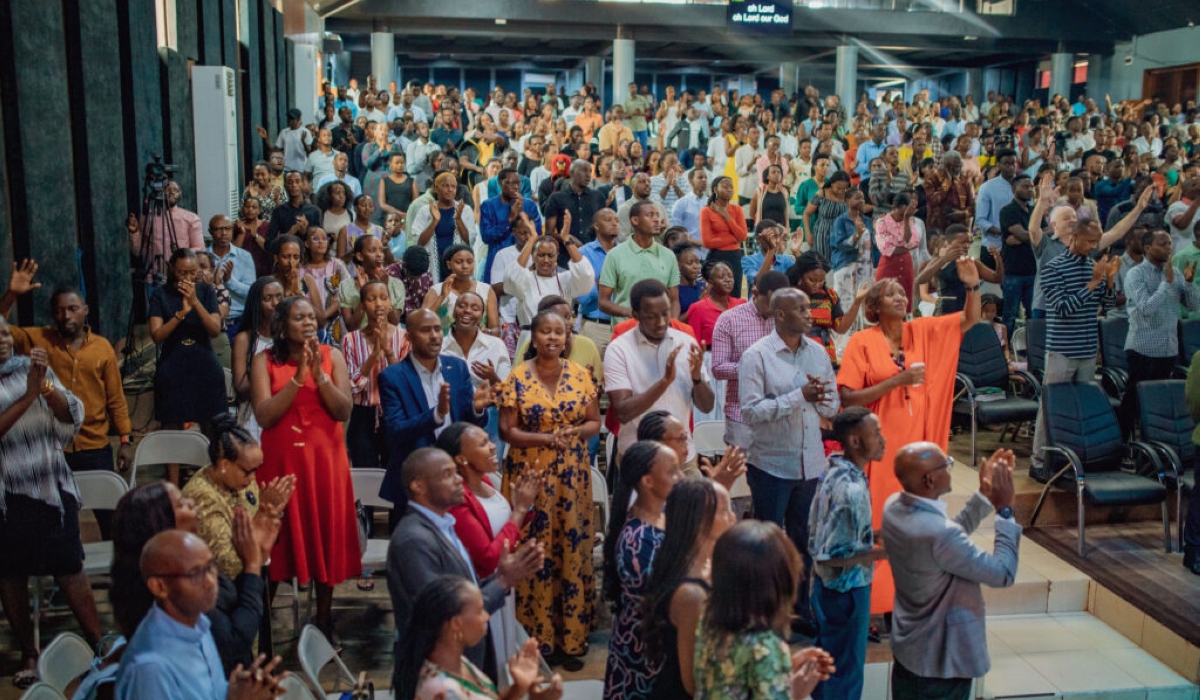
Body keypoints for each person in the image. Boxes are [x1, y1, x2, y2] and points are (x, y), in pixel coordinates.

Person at [837, 260, 983, 616]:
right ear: (875, 306)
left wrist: (972, 287)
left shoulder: (922, 332)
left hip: (916, 449)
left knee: (916, 528)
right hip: (879, 452)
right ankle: (872, 607)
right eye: (891, 293)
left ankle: (908, 602)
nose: (901, 297)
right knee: (880, 528)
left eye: (903, 292)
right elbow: (848, 398)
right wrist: (896, 382)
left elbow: (969, 320)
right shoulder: (862, 341)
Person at [250, 296, 359, 639]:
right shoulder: (263, 361)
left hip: (325, 461)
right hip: (282, 463)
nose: (310, 322)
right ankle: (258, 628)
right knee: (278, 541)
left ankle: (324, 621)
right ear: (282, 325)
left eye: (312, 317)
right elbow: (264, 416)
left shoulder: (332, 356)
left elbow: (343, 412)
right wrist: (298, 379)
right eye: (300, 318)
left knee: (324, 535)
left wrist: (319, 378)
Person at [498, 309, 602, 668]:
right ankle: (536, 642)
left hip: (572, 476)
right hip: (530, 476)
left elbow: (594, 422)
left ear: (567, 337)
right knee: (535, 551)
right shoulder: (517, 377)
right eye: (545, 332)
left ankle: (570, 639)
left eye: (560, 332)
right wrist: (545, 437)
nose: (553, 338)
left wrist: (574, 432)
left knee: (570, 549)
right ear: (534, 336)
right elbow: (506, 431)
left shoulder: (580, 375)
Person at [387, 448, 545, 680]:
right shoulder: (413, 541)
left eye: (456, 472)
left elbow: (464, 586)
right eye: (447, 474)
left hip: (464, 658)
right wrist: (502, 582)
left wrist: (499, 575)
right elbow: (443, 615)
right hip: (439, 673)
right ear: (418, 486)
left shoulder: (442, 524)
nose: (459, 479)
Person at [0, 262, 133, 537]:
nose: (66, 315)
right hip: (55, 449)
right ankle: (64, 573)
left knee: (111, 521)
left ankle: (117, 574)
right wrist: (11, 295)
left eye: (73, 309)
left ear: (85, 310)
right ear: (52, 314)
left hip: (94, 446)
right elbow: (1, 328)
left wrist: (124, 440)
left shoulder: (102, 348)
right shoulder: (37, 339)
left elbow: (115, 399)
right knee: (58, 522)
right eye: (59, 310)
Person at [739, 287, 840, 634]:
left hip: (810, 463)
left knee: (803, 544)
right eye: (800, 309)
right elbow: (751, 413)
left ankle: (799, 611)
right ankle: (764, 615)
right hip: (771, 464)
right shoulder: (757, 356)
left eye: (808, 307)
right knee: (767, 544)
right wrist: (800, 396)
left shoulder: (817, 353)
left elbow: (831, 407)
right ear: (780, 314)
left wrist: (820, 397)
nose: (809, 314)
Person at [883, 444, 1020, 700]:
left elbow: (942, 543)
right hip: (941, 661)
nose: (949, 468)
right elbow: (1003, 573)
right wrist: (1005, 510)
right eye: (945, 464)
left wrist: (983, 496)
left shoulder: (894, 507)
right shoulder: (940, 535)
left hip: (910, 651)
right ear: (930, 479)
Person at [0, 329, 97, 688]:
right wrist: (27, 397)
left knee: (69, 567)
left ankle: (98, 644)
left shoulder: (29, 367)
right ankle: (30, 652)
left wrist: (46, 389)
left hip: (50, 485)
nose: (2, 340)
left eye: (3, 333)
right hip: (8, 492)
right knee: (10, 575)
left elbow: (71, 414)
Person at [113, 530, 289, 700]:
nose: (210, 582)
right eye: (195, 574)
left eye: (211, 567)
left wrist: (237, 689)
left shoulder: (198, 622)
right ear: (159, 587)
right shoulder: (151, 669)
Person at [438, 423, 540, 676]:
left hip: (503, 585)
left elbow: (501, 526)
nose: (493, 445)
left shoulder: (484, 480)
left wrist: (525, 507)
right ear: (461, 459)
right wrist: (518, 510)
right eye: (483, 443)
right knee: (489, 665)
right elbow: (487, 558)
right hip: (482, 592)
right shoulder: (458, 501)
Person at [692, 520, 832, 700]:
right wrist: (794, 692)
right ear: (781, 581)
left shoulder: (708, 622)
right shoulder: (765, 648)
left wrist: (784, 666)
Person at [807, 407, 888, 700]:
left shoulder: (833, 470)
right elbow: (834, 556)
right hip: (846, 592)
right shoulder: (851, 490)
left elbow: (832, 531)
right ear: (854, 441)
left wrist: (873, 536)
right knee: (845, 674)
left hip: (824, 589)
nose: (883, 440)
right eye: (876, 433)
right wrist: (884, 553)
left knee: (827, 666)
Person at [1030, 221, 1120, 480]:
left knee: (1081, 407)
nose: (1094, 247)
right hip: (1062, 348)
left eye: (1097, 242)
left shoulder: (1094, 268)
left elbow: (1108, 304)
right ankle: (1039, 461)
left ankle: (1076, 458)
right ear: (1074, 237)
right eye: (1089, 241)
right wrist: (1092, 284)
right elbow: (1063, 308)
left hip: (1088, 348)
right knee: (1051, 406)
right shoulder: (1053, 268)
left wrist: (1109, 280)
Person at [378, 309, 492, 508]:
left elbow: (468, 423)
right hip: (415, 481)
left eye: (438, 329)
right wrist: (436, 415)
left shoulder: (457, 368)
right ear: (409, 336)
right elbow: (396, 431)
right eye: (425, 330)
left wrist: (477, 410)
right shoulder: (393, 376)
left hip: (458, 475)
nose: (434, 336)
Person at [641, 477, 738, 699]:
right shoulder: (690, 595)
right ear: (700, 521)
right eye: (725, 510)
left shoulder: (706, 567)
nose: (733, 518)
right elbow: (694, 683)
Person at [393, 575, 563, 700]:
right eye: (479, 611)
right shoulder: (444, 690)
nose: (486, 616)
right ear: (456, 623)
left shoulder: (456, 661)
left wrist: (519, 688)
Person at [602, 441, 683, 700]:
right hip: (644, 653)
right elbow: (666, 597)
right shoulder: (637, 541)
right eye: (672, 472)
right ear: (648, 481)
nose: (679, 478)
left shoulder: (662, 516)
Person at [605, 280, 714, 471]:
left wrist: (697, 379)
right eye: (651, 317)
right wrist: (664, 382)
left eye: (665, 313)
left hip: (682, 458)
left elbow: (707, 406)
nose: (661, 322)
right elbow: (623, 412)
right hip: (639, 459)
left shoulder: (686, 342)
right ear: (635, 315)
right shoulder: (619, 349)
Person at [181, 414, 295, 583]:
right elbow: (229, 567)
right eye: (248, 471)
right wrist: (262, 516)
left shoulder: (242, 482)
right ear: (224, 465)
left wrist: (272, 514)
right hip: (210, 587)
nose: (253, 478)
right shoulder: (201, 497)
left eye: (257, 469)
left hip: (247, 578)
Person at [149, 249, 226, 481]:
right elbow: (156, 335)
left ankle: (214, 477)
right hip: (173, 363)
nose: (188, 277)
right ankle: (173, 481)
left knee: (211, 424)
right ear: (172, 269)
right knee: (172, 424)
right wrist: (181, 313)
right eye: (183, 272)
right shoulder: (160, 295)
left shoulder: (205, 291)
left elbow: (214, 329)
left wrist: (195, 303)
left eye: (193, 272)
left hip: (204, 363)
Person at [1119, 230, 1200, 435]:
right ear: (1147, 248)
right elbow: (1146, 308)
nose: (1168, 248)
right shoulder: (1135, 274)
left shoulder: (1176, 273)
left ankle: (1156, 444)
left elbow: (1192, 306)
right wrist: (1166, 283)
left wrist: (1189, 283)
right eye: (1163, 244)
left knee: (1159, 404)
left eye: (1170, 244)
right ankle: (1125, 445)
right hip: (1143, 348)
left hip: (1168, 348)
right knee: (1133, 400)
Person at [710, 271, 791, 452]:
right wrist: (753, 367)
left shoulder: (786, 320)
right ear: (755, 293)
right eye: (770, 303)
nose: (774, 309)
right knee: (742, 476)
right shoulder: (729, 320)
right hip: (742, 415)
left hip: (780, 414)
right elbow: (718, 368)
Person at [343, 279, 410, 476]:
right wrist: (373, 356)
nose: (379, 304)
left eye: (383, 298)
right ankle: (367, 509)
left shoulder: (404, 336)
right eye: (371, 299)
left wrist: (388, 351)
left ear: (390, 303)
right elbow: (352, 387)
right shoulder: (351, 340)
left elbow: (404, 383)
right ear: (362, 306)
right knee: (365, 474)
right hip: (363, 414)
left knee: (396, 475)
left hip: (395, 414)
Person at [503, 215, 594, 335]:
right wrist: (532, 239)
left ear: (557, 257)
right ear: (533, 256)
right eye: (541, 255)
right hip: (530, 338)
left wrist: (566, 240)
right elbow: (512, 278)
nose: (546, 260)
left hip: (560, 340)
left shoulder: (565, 279)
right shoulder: (526, 278)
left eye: (551, 255)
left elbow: (585, 275)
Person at [599, 202, 681, 322]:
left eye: (658, 215)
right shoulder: (615, 255)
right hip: (625, 332)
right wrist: (631, 313)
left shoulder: (668, 255)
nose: (657, 220)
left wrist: (671, 323)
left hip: (659, 332)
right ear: (635, 220)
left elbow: (674, 300)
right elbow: (603, 302)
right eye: (650, 215)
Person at [410, 173, 480, 282]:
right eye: (445, 186)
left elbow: (469, 240)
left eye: (453, 186)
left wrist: (458, 219)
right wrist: (435, 221)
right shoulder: (425, 210)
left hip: (457, 263)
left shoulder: (465, 210)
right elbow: (419, 242)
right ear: (436, 189)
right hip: (433, 261)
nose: (450, 189)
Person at [423, 244, 500, 334]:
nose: (465, 266)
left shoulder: (486, 290)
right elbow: (421, 322)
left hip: (478, 344)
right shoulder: (436, 290)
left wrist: (485, 331)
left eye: (469, 262)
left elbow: (496, 330)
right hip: (444, 345)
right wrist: (442, 297)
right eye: (459, 262)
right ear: (448, 264)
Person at [339, 234, 406, 330]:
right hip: (360, 342)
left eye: (381, 250)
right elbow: (351, 327)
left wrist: (384, 287)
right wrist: (364, 293)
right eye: (372, 251)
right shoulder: (346, 286)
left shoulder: (396, 284)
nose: (379, 254)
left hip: (388, 341)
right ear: (360, 256)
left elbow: (394, 322)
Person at [576, 209, 619, 356]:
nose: (614, 223)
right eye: (608, 220)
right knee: (590, 375)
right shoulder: (583, 254)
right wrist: (601, 288)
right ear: (596, 226)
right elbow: (581, 297)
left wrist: (599, 283)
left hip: (621, 326)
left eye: (616, 220)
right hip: (594, 325)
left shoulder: (625, 253)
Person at [700, 176, 749, 299]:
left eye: (731, 187)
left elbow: (743, 236)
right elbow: (707, 242)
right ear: (715, 189)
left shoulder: (737, 210)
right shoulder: (706, 211)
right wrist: (733, 239)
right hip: (715, 256)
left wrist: (725, 215)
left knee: (735, 292)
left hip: (735, 257)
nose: (729, 190)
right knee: (714, 294)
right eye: (725, 187)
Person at [874, 193, 922, 314]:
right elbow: (885, 248)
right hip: (888, 265)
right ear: (894, 207)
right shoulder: (882, 222)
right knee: (885, 298)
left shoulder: (908, 220)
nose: (902, 217)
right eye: (901, 214)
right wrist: (905, 247)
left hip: (906, 265)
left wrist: (906, 219)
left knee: (905, 299)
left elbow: (913, 242)